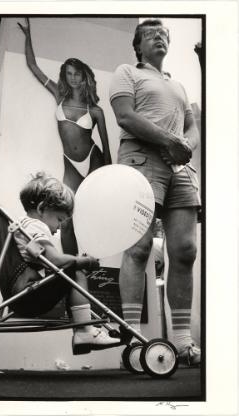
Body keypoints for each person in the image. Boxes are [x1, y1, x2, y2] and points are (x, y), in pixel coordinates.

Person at [109, 19, 201, 366]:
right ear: (138, 45)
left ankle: (181, 342)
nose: (159, 37)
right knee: (139, 247)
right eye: (150, 34)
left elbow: (192, 128)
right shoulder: (126, 72)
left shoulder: (177, 85)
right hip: (141, 160)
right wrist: (169, 142)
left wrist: (184, 147)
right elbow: (125, 117)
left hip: (180, 169)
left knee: (186, 250)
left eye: (163, 34)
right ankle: (133, 342)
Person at [17, 18, 112, 256]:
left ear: (84, 76)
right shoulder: (59, 95)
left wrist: (109, 176)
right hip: (70, 164)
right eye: (69, 73)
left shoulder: (96, 110)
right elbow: (33, 66)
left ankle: (92, 263)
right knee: (66, 219)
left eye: (77, 73)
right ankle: (71, 268)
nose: (73, 77)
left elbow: (107, 149)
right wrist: (28, 35)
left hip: (94, 159)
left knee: (93, 214)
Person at [10, 172, 119, 354]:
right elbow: (55, 260)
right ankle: (84, 330)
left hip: (20, 290)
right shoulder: (36, 226)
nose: (59, 227)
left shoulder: (23, 224)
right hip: (28, 294)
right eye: (59, 219)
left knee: (70, 270)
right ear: (42, 208)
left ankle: (83, 331)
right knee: (75, 272)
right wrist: (82, 261)